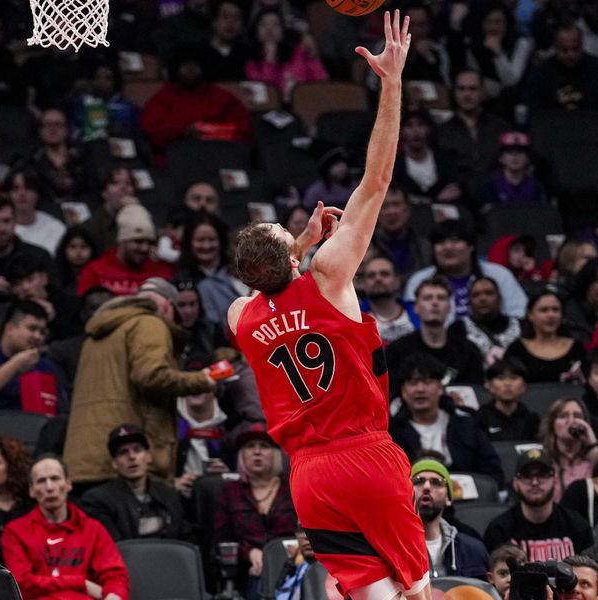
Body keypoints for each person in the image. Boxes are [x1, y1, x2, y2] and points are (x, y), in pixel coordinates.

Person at [228, 13, 433, 600]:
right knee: (415, 591)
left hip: (309, 477)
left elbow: (261, 282)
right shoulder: (326, 277)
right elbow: (375, 181)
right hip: (364, 455)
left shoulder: (242, 319)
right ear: (291, 257)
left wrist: (294, 245)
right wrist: (391, 84)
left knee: (371, 595)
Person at [64, 277, 216, 486]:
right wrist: (202, 379)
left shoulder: (95, 336)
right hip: (125, 460)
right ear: (167, 306)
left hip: (84, 460)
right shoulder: (150, 323)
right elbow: (151, 375)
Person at [1, 455, 130, 600]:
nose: (49, 487)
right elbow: (21, 584)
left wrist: (114, 595)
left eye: (55, 478)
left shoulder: (93, 529)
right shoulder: (15, 531)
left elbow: (114, 575)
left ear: (68, 484)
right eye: (41, 481)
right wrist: (80, 583)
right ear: (31, 490)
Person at [389, 353, 504, 486]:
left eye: (427, 382)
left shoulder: (466, 425)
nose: (420, 389)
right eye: (412, 383)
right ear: (403, 391)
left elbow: (492, 472)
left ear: (440, 388)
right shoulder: (392, 433)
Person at [213, 425, 297, 599]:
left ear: (275, 454)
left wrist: (279, 557)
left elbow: (306, 533)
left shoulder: (293, 488)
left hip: (292, 565)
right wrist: (249, 552)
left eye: (264, 446)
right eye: (250, 446)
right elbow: (221, 540)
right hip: (246, 572)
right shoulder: (229, 492)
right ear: (241, 456)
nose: (257, 452)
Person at [80, 425, 191, 542]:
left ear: (148, 457)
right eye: (123, 452)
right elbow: (112, 546)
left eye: (137, 450)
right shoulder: (97, 500)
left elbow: (184, 539)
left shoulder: (168, 495)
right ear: (114, 463)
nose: (132, 457)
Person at [403, 219, 527, 321]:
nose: (448, 247)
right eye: (440, 242)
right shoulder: (419, 280)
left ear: (471, 246)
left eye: (455, 240)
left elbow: (520, 314)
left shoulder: (499, 275)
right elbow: (412, 322)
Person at [484, 447, 595, 559]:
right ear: (515, 483)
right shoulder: (499, 530)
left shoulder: (577, 526)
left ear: (555, 481)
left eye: (542, 475)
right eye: (527, 476)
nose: (535, 482)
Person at [0, 300, 64, 412]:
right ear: (10, 329)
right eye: (32, 329)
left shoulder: (45, 367)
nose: (38, 336)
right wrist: (14, 365)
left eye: (42, 332)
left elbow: (54, 412)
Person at [388, 277, 485, 385]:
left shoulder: (468, 351)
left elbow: (477, 393)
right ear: (416, 307)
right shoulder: (397, 351)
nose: (435, 303)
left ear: (449, 307)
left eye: (441, 298)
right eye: (427, 298)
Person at [437, 70, 510, 200]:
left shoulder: (500, 127)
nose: (467, 94)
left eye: (473, 89)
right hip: (460, 198)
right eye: (461, 89)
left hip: (498, 195)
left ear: (482, 92)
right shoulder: (442, 131)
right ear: (454, 92)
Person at [411, 459, 489, 579]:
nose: (426, 487)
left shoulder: (473, 549)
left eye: (436, 482)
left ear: (448, 498)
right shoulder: (390, 548)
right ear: (406, 491)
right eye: (418, 481)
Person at [77, 204, 174, 296]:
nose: (145, 248)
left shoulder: (160, 273)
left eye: (149, 243)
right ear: (122, 241)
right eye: (138, 242)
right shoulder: (95, 271)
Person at [523, 23, 598, 114]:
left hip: (590, 126)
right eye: (564, 50)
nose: (571, 55)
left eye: (575, 49)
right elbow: (534, 110)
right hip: (553, 126)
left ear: (582, 45)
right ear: (555, 48)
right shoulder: (541, 73)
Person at [504, 290, 587, 383]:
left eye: (555, 310)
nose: (551, 315)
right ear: (530, 315)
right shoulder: (517, 349)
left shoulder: (576, 349)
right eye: (544, 310)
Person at [539, 398, 598, 502]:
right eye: (563, 416)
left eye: (577, 416)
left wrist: (592, 443)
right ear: (552, 424)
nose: (571, 421)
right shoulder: (543, 460)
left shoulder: (593, 459)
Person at [463, 276, 522, 367]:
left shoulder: (520, 326)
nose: (482, 299)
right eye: (476, 295)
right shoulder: (459, 328)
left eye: (489, 293)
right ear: (469, 302)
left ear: (499, 299)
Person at [370, 185, 429, 277]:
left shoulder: (424, 247)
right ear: (376, 212)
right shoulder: (366, 248)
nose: (391, 211)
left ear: (408, 209)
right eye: (384, 206)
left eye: (396, 204)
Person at [477, 358, 540, 442]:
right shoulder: (479, 418)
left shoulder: (532, 420)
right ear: (489, 386)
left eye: (514, 378)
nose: (507, 383)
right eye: (500, 378)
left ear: (524, 387)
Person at [361, 256, 415, 345]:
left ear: (397, 281)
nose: (378, 279)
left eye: (384, 274)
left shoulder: (418, 311)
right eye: (371, 276)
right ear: (364, 284)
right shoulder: (354, 318)